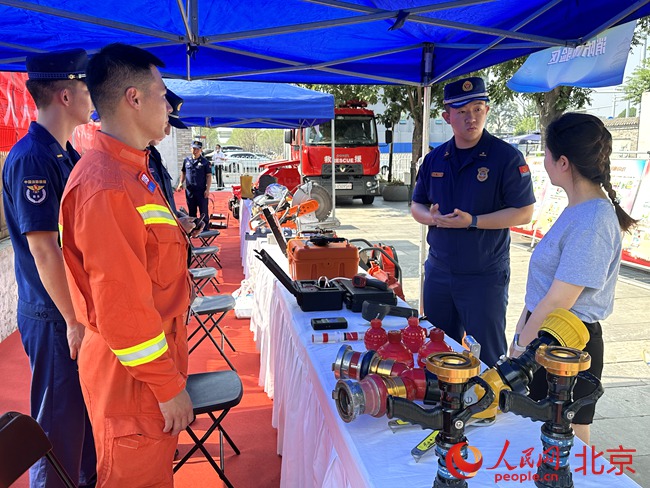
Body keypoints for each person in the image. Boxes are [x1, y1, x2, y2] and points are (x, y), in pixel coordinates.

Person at [59, 43, 194, 487]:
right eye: (161, 94)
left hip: (144, 372)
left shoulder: (133, 172)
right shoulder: (109, 187)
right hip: (132, 380)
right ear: (133, 98)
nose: (168, 105)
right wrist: (167, 386)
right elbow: (122, 311)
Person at [511, 113, 637, 444]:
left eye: (547, 154)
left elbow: (558, 301)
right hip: (547, 338)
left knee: (568, 445)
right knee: (540, 441)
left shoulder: (593, 219)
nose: (545, 161)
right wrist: (522, 336)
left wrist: (521, 350)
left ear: (563, 162)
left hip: (567, 346)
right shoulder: (579, 209)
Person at [1, 48, 97, 488]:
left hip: (70, 311)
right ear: (64, 94)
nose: (91, 96)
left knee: (82, 425)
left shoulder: (63, 154)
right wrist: (74, 319)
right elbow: (44, 250)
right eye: (85, 87)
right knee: (58, 428)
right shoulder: (33, 159)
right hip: (56, 314)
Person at [410, 76, 535, 367]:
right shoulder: (435, 159)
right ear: (446, 116)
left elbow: (524, 212)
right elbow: (417, 205)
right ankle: (443, 408)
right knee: (437, 349)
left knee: (488, 355)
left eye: (478, 109)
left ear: (487, 111)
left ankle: (489, 410)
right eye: (463, 111)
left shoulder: (505, 157)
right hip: (439, 272)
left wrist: (473, 221)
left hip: (484, 276)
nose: (471, 118)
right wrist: (433, 218)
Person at [176, 140, 212, 228]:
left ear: (201, 150)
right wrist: (181, 183)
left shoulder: (205, 162)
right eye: (193, 148)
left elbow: (209, 176)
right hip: (190, 191)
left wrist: (207, 189)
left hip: (201, 191)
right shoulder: (187, 160)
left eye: (197, 149)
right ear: (190, 149)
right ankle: (193, 228)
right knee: (192, 212)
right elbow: (183, 172)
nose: (195, 151)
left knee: (203, 211)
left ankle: (204, 228)